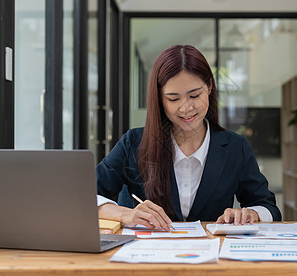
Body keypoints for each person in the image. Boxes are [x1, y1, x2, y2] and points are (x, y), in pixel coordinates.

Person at [97, 44, 281, 231]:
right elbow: (83, 195)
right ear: (160, 99)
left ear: (209, 86)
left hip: (213, 255)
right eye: (173, 99)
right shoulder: (134, 143)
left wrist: (252, 213)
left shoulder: (235, 147)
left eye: (194, 95)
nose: (186, 108)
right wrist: (124, 213)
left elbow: (269, 208)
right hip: (147, 256)